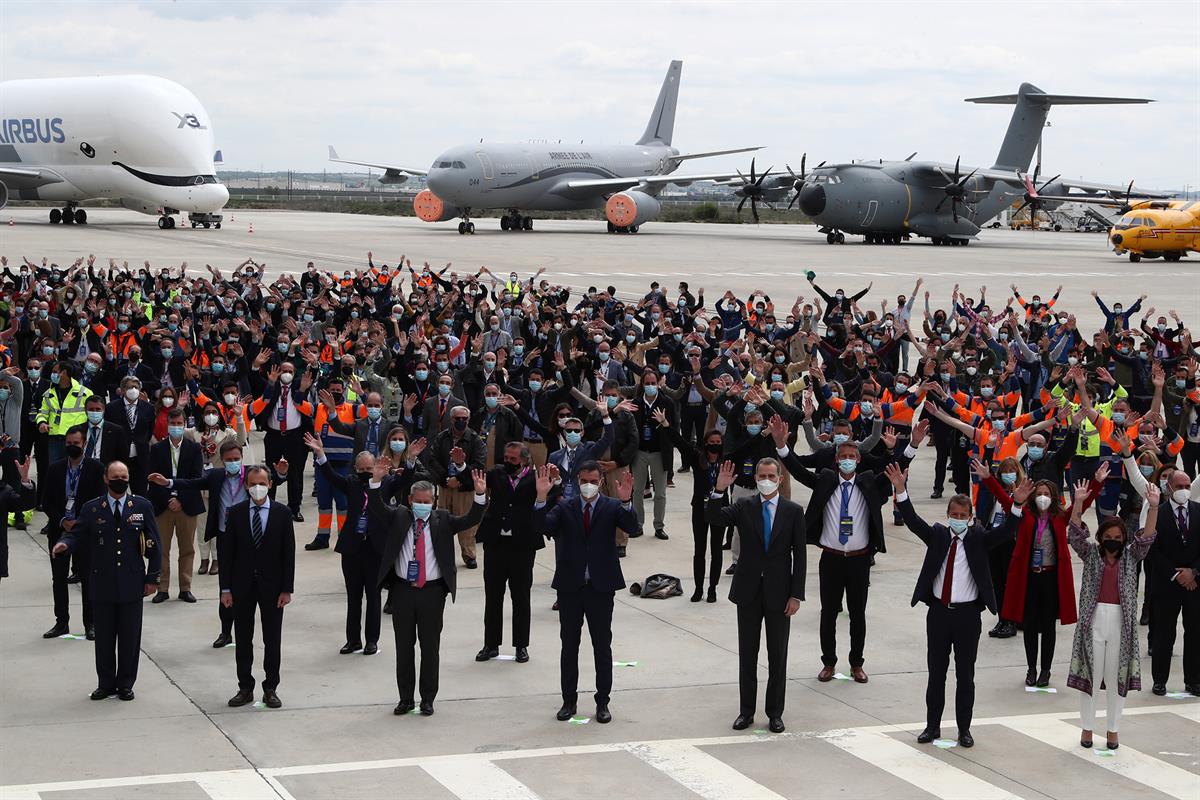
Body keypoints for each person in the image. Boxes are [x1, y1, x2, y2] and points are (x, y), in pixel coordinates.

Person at [772, 417, 904, 684]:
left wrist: (907, 446)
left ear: (858, 460)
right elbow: (798, 471)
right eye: (842, 455)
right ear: (836, 460)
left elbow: (895, 468)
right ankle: (829, 662)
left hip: (859, 560)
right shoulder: (826, 481)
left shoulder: (868, 481)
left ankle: (857, 663)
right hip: (831, 558)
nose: (846, 459)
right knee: (828, 613)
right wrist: (780, 446)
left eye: (851, 456)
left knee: (858, 614)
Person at [888, 463, 1011, 749]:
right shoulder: (939, 535)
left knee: (965, 675)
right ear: (947, 516)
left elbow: (1007, 532)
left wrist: (1016, 505)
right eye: (953, 515)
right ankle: (932, 726)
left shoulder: (979, 539)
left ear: (970, 518)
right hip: (939, 614)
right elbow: (912, 520)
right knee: (936, 673)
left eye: (962, 516)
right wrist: (900, 490)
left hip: (968, 616)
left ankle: (964, 729)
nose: (957, 519)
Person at [371, 470, 487, 717]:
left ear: (433, 502)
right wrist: (375, 481)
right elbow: (377, 506)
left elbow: (471, 518)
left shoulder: (443, 519)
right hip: (402, 591)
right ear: (411, 501)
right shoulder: (400, 516)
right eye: (418, 501)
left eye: (427, 502)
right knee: (404, 647)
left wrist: (479, 493)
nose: (422, 505)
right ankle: (405, 698)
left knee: (430, 647)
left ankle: (427, 699)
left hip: (433, 593)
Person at [534, 461, 637, 724]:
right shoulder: (565, 507)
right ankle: (569, 700)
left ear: (601, 481)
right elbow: (542, 527)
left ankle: (603, 701)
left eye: (592, 480)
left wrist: (626, 501)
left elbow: (633, 529)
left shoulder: (612, 506)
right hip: (571, 587)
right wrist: (540, 498)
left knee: (602, 646)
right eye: (583, 481)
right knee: (569, 646)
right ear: (577, 481)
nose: (587, 486)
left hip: (601, 588)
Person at [707, 457, 804, 733]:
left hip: (779, 593)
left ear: (780, 479)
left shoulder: (793, 511)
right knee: (747, 654)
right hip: (748, 591)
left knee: (778, 655)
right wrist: (718, 490)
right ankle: (746, 711)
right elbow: (713, 518)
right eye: (762, 475)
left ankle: (775, 712)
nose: (766, 480)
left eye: (771, 476)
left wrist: (796, 594)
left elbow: (800, 555)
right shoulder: (744, 506)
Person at [52, 460, 160, 701]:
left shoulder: (141, 506)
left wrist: (153, 578)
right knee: (104, 637)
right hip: (102, 582)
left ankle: (125, 684)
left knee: (130, 637)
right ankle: (105, 683)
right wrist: (64, 544)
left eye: (124, 476)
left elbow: (154, 543)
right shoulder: (93, 508)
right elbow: (77, 533)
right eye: (115, 476)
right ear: (105, 479)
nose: (120, 480)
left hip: (132, 581)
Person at [1067, 479, 1160, 750]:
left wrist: (1153, 508)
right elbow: (1073, 534)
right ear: (1100, 537)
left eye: (1118, 538)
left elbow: (1148, 538)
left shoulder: (1131, 556)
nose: (1113, 540)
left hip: (1122, 622)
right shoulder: (1091, 554)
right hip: (1093, 620)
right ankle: (1086, 728)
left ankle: (1113, 730)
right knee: (1091, 678)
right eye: (1109, 536)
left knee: (1116, 677)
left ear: (1124, 540)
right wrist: (1079, 504)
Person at [220, 465, 296, 709]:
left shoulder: (282, 513)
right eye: (252, 484)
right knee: (243, 638)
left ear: (270, 484)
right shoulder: (236, 512)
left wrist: (287, 588)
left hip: (273, 587)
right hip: (242, 586)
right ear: (246, 486)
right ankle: (245, 687)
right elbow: (227, 554)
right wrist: (226, 589)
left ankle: (271, 687)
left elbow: (288, 554)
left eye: (262, 482)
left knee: (272, 638)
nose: (257, 488)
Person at [1001, 478, 1079, 688]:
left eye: (1046, 493)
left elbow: (1082, 505)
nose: (1042, 497)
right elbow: (1004, 500)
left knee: (1048, 627)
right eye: (1039, 493)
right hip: (1030, 577)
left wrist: (1094, 487)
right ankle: (1031, 668)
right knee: (1030, 625)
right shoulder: (1026, 515)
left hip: (1051, 578)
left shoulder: (1060, 517)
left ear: (1053, 497)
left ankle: (1045, 670)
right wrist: (988, 478)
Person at [475, 442, 543, 663]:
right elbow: (474, 478)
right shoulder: (497, 473)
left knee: (521, 597)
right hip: (496, 544)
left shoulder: (535, 479)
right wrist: (460, 465)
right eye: (506, 457)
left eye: (513, 459)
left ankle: (521, 645)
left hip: (522, 546)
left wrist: (555, 481)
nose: (508, 461)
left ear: (524, 460)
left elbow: (554, 493)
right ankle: (490, 644)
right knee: (493, 596)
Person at [40, 427, 104, 639]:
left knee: (88, 578)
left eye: (76, 443)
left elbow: (100, 501)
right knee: (58, 578)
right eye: (68, 443)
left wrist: (81, 523)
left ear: (84, 444)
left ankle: (91, 624)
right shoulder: (56, 468)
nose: (71, 447)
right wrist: (62, 521)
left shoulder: (96, 469)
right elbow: (46, 501)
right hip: (60, 529)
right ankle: (61, 623)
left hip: (85, 532)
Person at [146, 408, 205, 603]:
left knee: (187, 548)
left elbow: (197, 478)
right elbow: (153, 479)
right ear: (167, 425)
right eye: (173, 424)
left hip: (186, 505)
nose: (177, 427)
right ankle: (162, 588)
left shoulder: (194, 448)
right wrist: (168, 500)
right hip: (163, 506)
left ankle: (185, 587)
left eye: (180, 424)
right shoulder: (157, 449)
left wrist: (181, 499)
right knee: (161, 548)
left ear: (184, 424)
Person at [1148, 470, 1199, 696]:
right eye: (1179, 486)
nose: (1184, 490)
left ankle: (1194, 680)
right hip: (1167, 584)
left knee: (1195, 633)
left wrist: (1194, 572)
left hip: (1195, 584)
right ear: (1169, 488)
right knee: (1164, 634)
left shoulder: (1199, 511)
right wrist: (1176, 575)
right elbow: (1152, 549)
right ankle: (1159, 679)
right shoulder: (1157, 513)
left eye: (1187, 486)